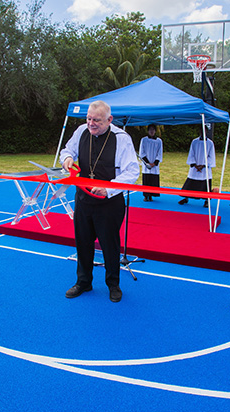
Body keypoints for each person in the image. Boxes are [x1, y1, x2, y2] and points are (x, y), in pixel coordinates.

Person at [59, 100, 140, 302]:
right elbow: (66, 151)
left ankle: (113, 285)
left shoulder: (122, 138)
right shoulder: (81, 131)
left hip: (109, 203)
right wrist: (67, 159)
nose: (91, 123)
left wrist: (109, 188)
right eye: (88, 118)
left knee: (109, 245)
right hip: (84, 199)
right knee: (83, 243)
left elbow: (132, 172)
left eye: (97, 120)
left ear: (109, 120)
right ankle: (83, 282)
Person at [178, 130, 215, 208]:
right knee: (190, 184)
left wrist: (203, 165)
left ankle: (206, 201)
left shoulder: (210, 143)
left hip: (204, 169)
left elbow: (211, 156)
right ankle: (186, 197)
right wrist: (194, 164)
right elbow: (191, 153)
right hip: (195, 168)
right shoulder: (194, 142)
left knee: (206, 186)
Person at [139, 123, 163, 202]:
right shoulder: (144, 140)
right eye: (150, 130)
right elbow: (142, 152)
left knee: (153, 180)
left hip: (154, 165)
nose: (152, 131)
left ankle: (151, 195)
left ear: (155, 131)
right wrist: (147, 163)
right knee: (146, 180)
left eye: (153, 130)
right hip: (147, 165)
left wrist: (155, 163)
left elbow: (160, 153)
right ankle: (146, 196)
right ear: (148, 131)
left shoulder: (159, 141)